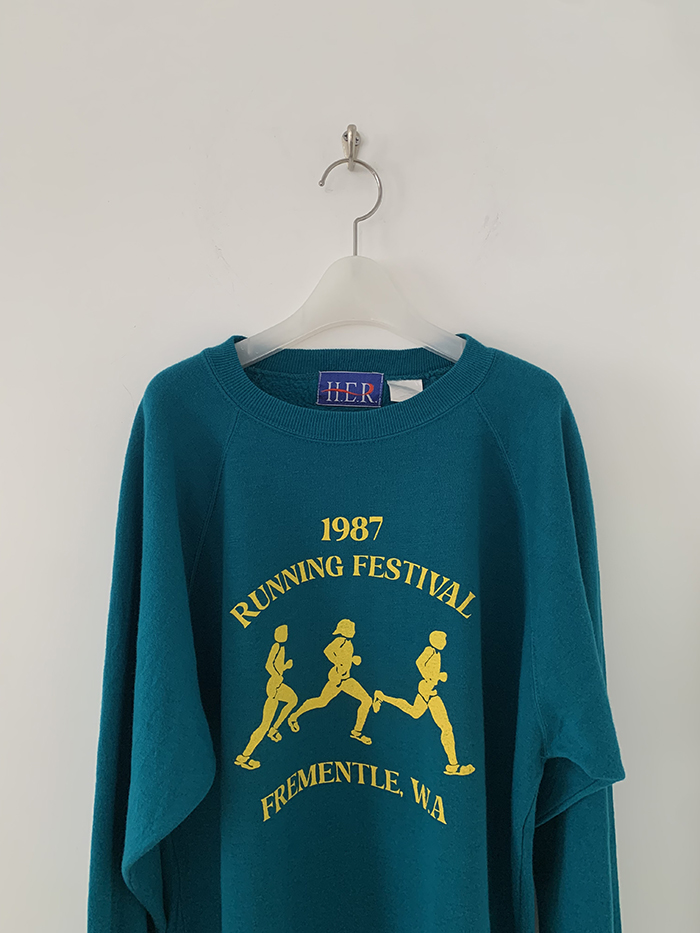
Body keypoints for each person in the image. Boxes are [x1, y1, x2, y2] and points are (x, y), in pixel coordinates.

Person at [373, 630, 475, 776]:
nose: (445, 642)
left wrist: (437, 677)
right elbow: (419, 662)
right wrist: (430, 677)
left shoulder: (437, 653)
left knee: (415, 712)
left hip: (429, 689)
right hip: (428, 690)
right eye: (443, 640)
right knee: (446, 727)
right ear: (436, 641)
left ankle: (382, 696)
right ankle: (453, 765)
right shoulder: (430, 650)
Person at [288, 618, 373, 745]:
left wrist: (352, 660)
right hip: (337, 678)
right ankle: (294, 716)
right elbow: (327, 651)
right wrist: (338, 662)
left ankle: (356, 732)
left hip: (346, 679)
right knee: (321, 701)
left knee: (366, 700)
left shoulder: (348, 643)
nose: (354, 631)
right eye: (351, 629)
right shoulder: (340, 641)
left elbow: (345, 658)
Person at [235, 624, 298, 770]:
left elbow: (276, 666)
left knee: (293, 700)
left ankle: (274, 729)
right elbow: (268, 665)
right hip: (274, 687)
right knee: (264, 725)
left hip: (277, 684)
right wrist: (277, 675)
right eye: (283, 632)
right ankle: (244, 756)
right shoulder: (276, 647)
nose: (285, 635)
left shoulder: (281, 647)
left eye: (285, 632)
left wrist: (285, 667)